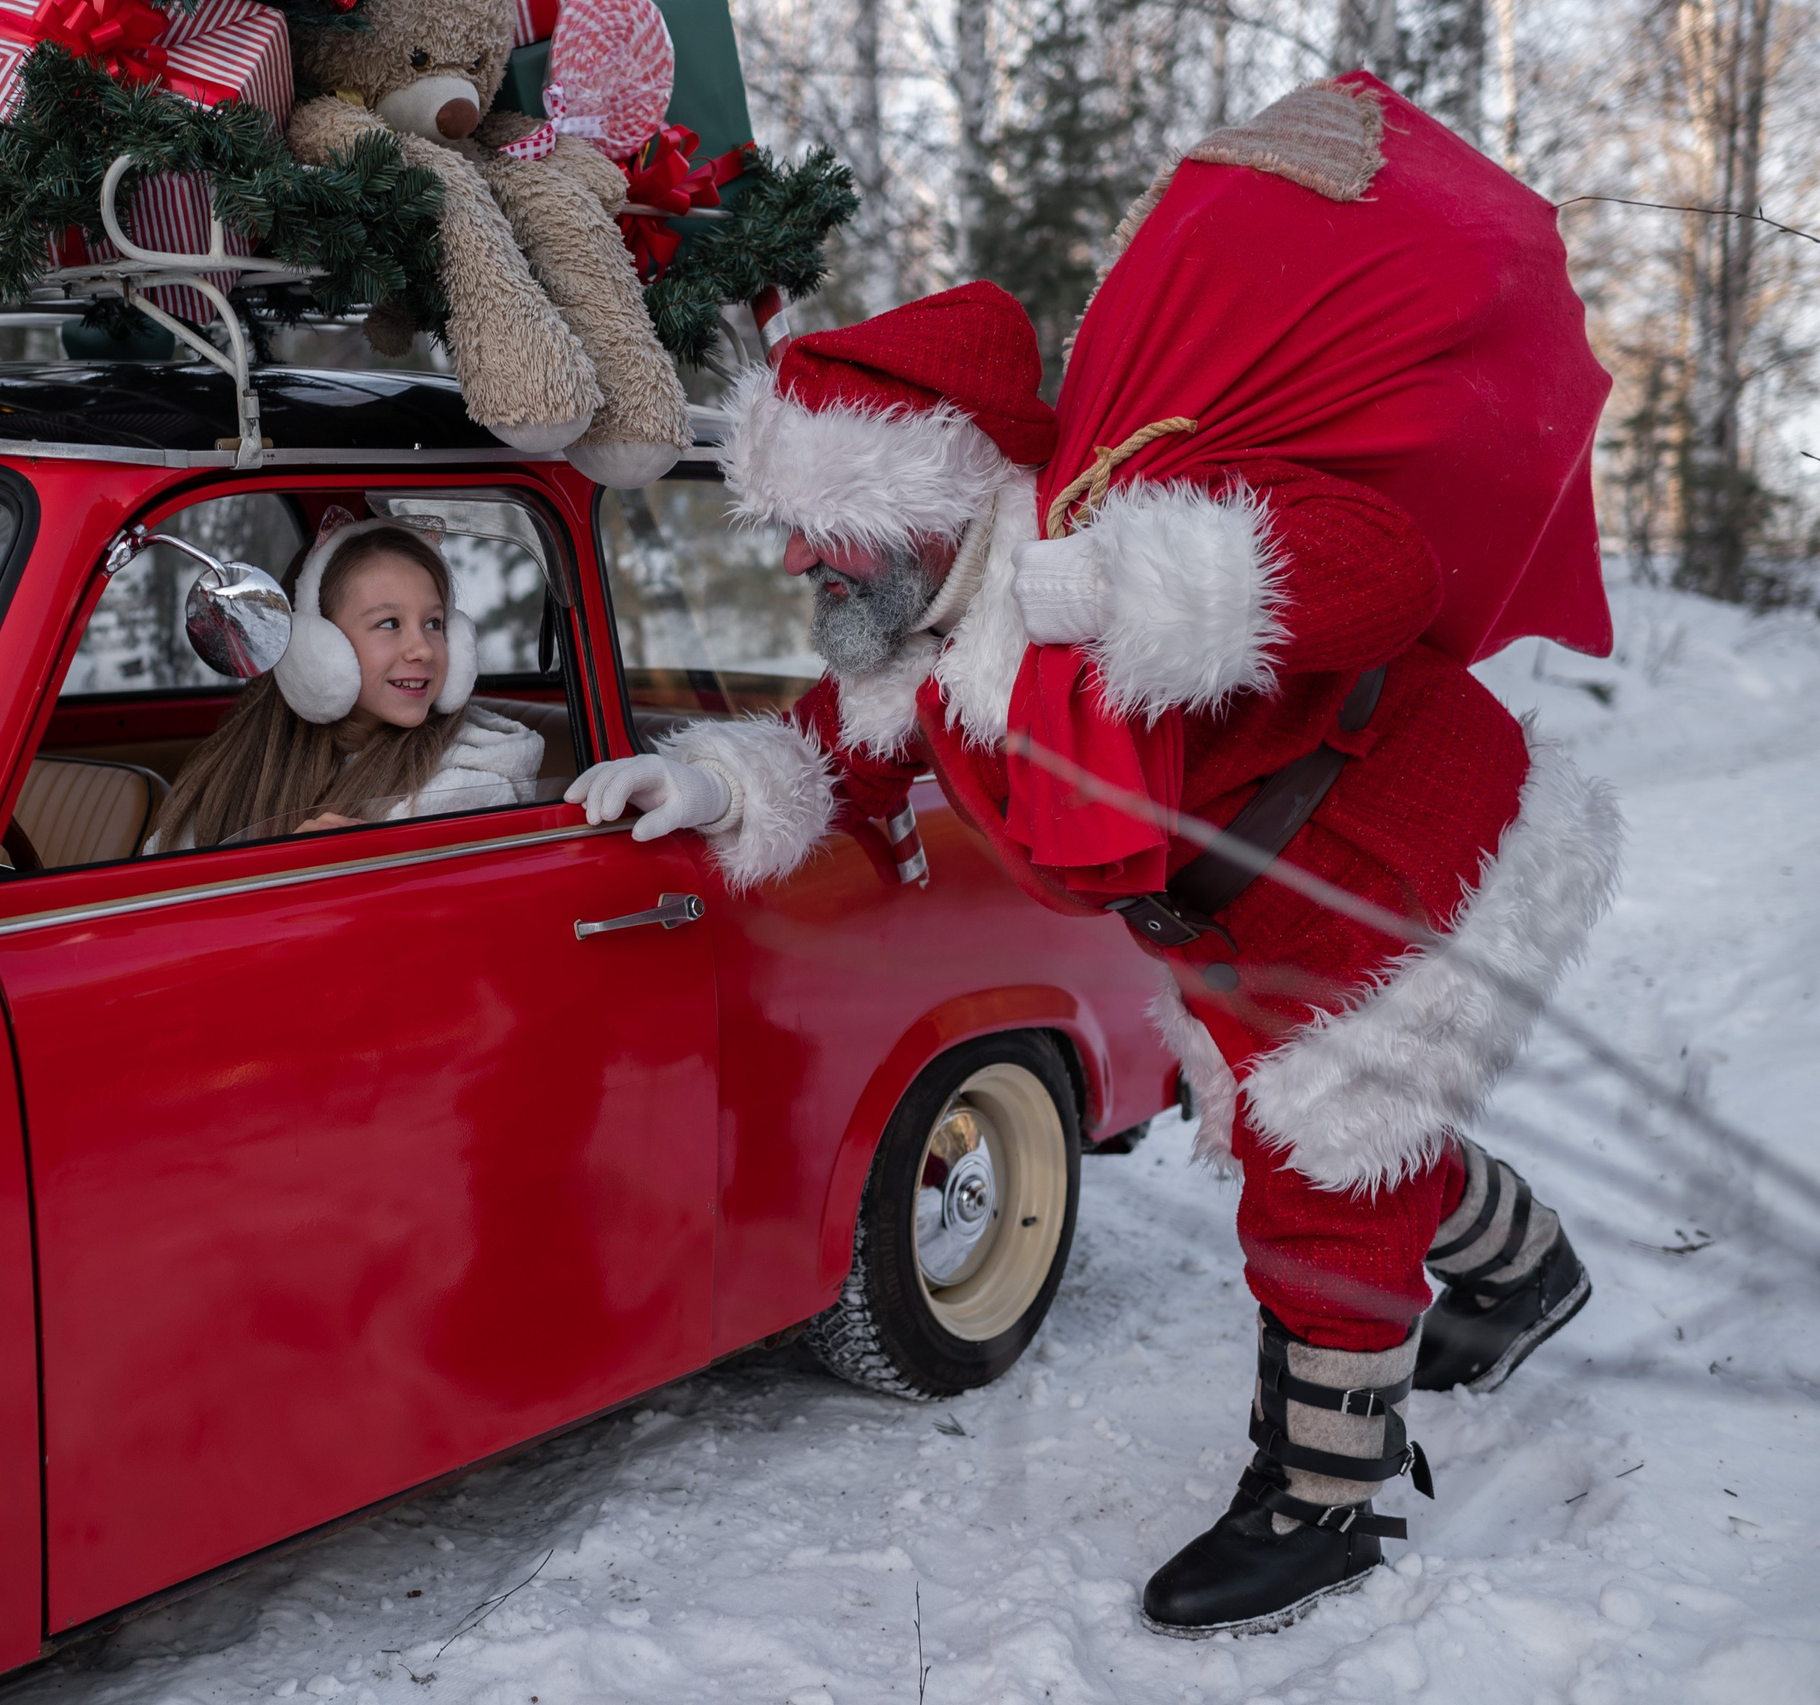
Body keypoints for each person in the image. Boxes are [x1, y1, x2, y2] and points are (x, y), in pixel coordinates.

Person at [567, 244, 1617, 1627]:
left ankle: (1322, 1501)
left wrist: (1144, 586)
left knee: (1325, 1168)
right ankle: (1527, 1268)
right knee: (1305, 1128)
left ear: (929, 503)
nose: (795, 559)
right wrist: (709, 783)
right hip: (1243, 905)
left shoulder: (1125, 513)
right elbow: (849, 752)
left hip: (1397, 844)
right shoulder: (927, 634)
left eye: (825, 528)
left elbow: (1390, 576)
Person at [148, 520, 542, 851]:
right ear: (316, 649)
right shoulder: (242, 766)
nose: (422, 649)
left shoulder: (466, 784)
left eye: (434, 623)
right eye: (390, 624)